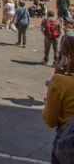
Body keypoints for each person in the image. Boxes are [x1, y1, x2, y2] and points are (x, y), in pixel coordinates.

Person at [42, 36, 74, 164]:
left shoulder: (60, 81)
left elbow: (50, 120)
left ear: (69, 57)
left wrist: (49, 101)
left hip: (68, 144)